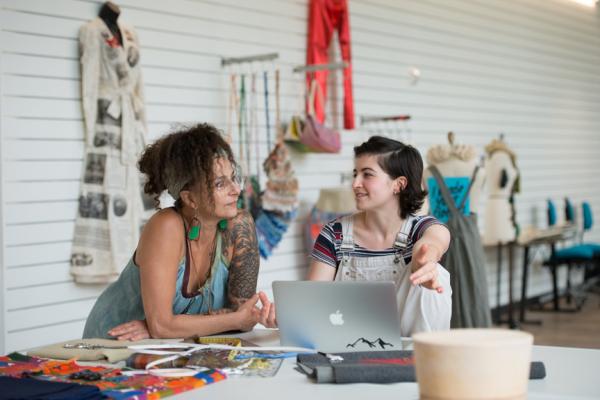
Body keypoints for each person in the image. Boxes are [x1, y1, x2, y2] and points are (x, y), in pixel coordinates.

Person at [83, 123, 275, 340]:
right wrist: (165, 326)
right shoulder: (166, 226)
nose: (236, 190)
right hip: (113, 345)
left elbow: (244, 320)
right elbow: (164, 327)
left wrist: (170, 325)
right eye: (220, 184)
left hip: (172, 346)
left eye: (234, 177)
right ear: (190, 198)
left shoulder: (240, 225)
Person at [307, 136, 452, 335]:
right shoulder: (334, 234)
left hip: (409, 348)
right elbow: (312, 299)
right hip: (346, 346)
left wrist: (425, 262)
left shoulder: (422, 228)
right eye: (355, 173)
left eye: (367, 175)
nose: (355, 183)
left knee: (438, 275)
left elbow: (435, 240)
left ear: (398, 185)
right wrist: (283, 316)